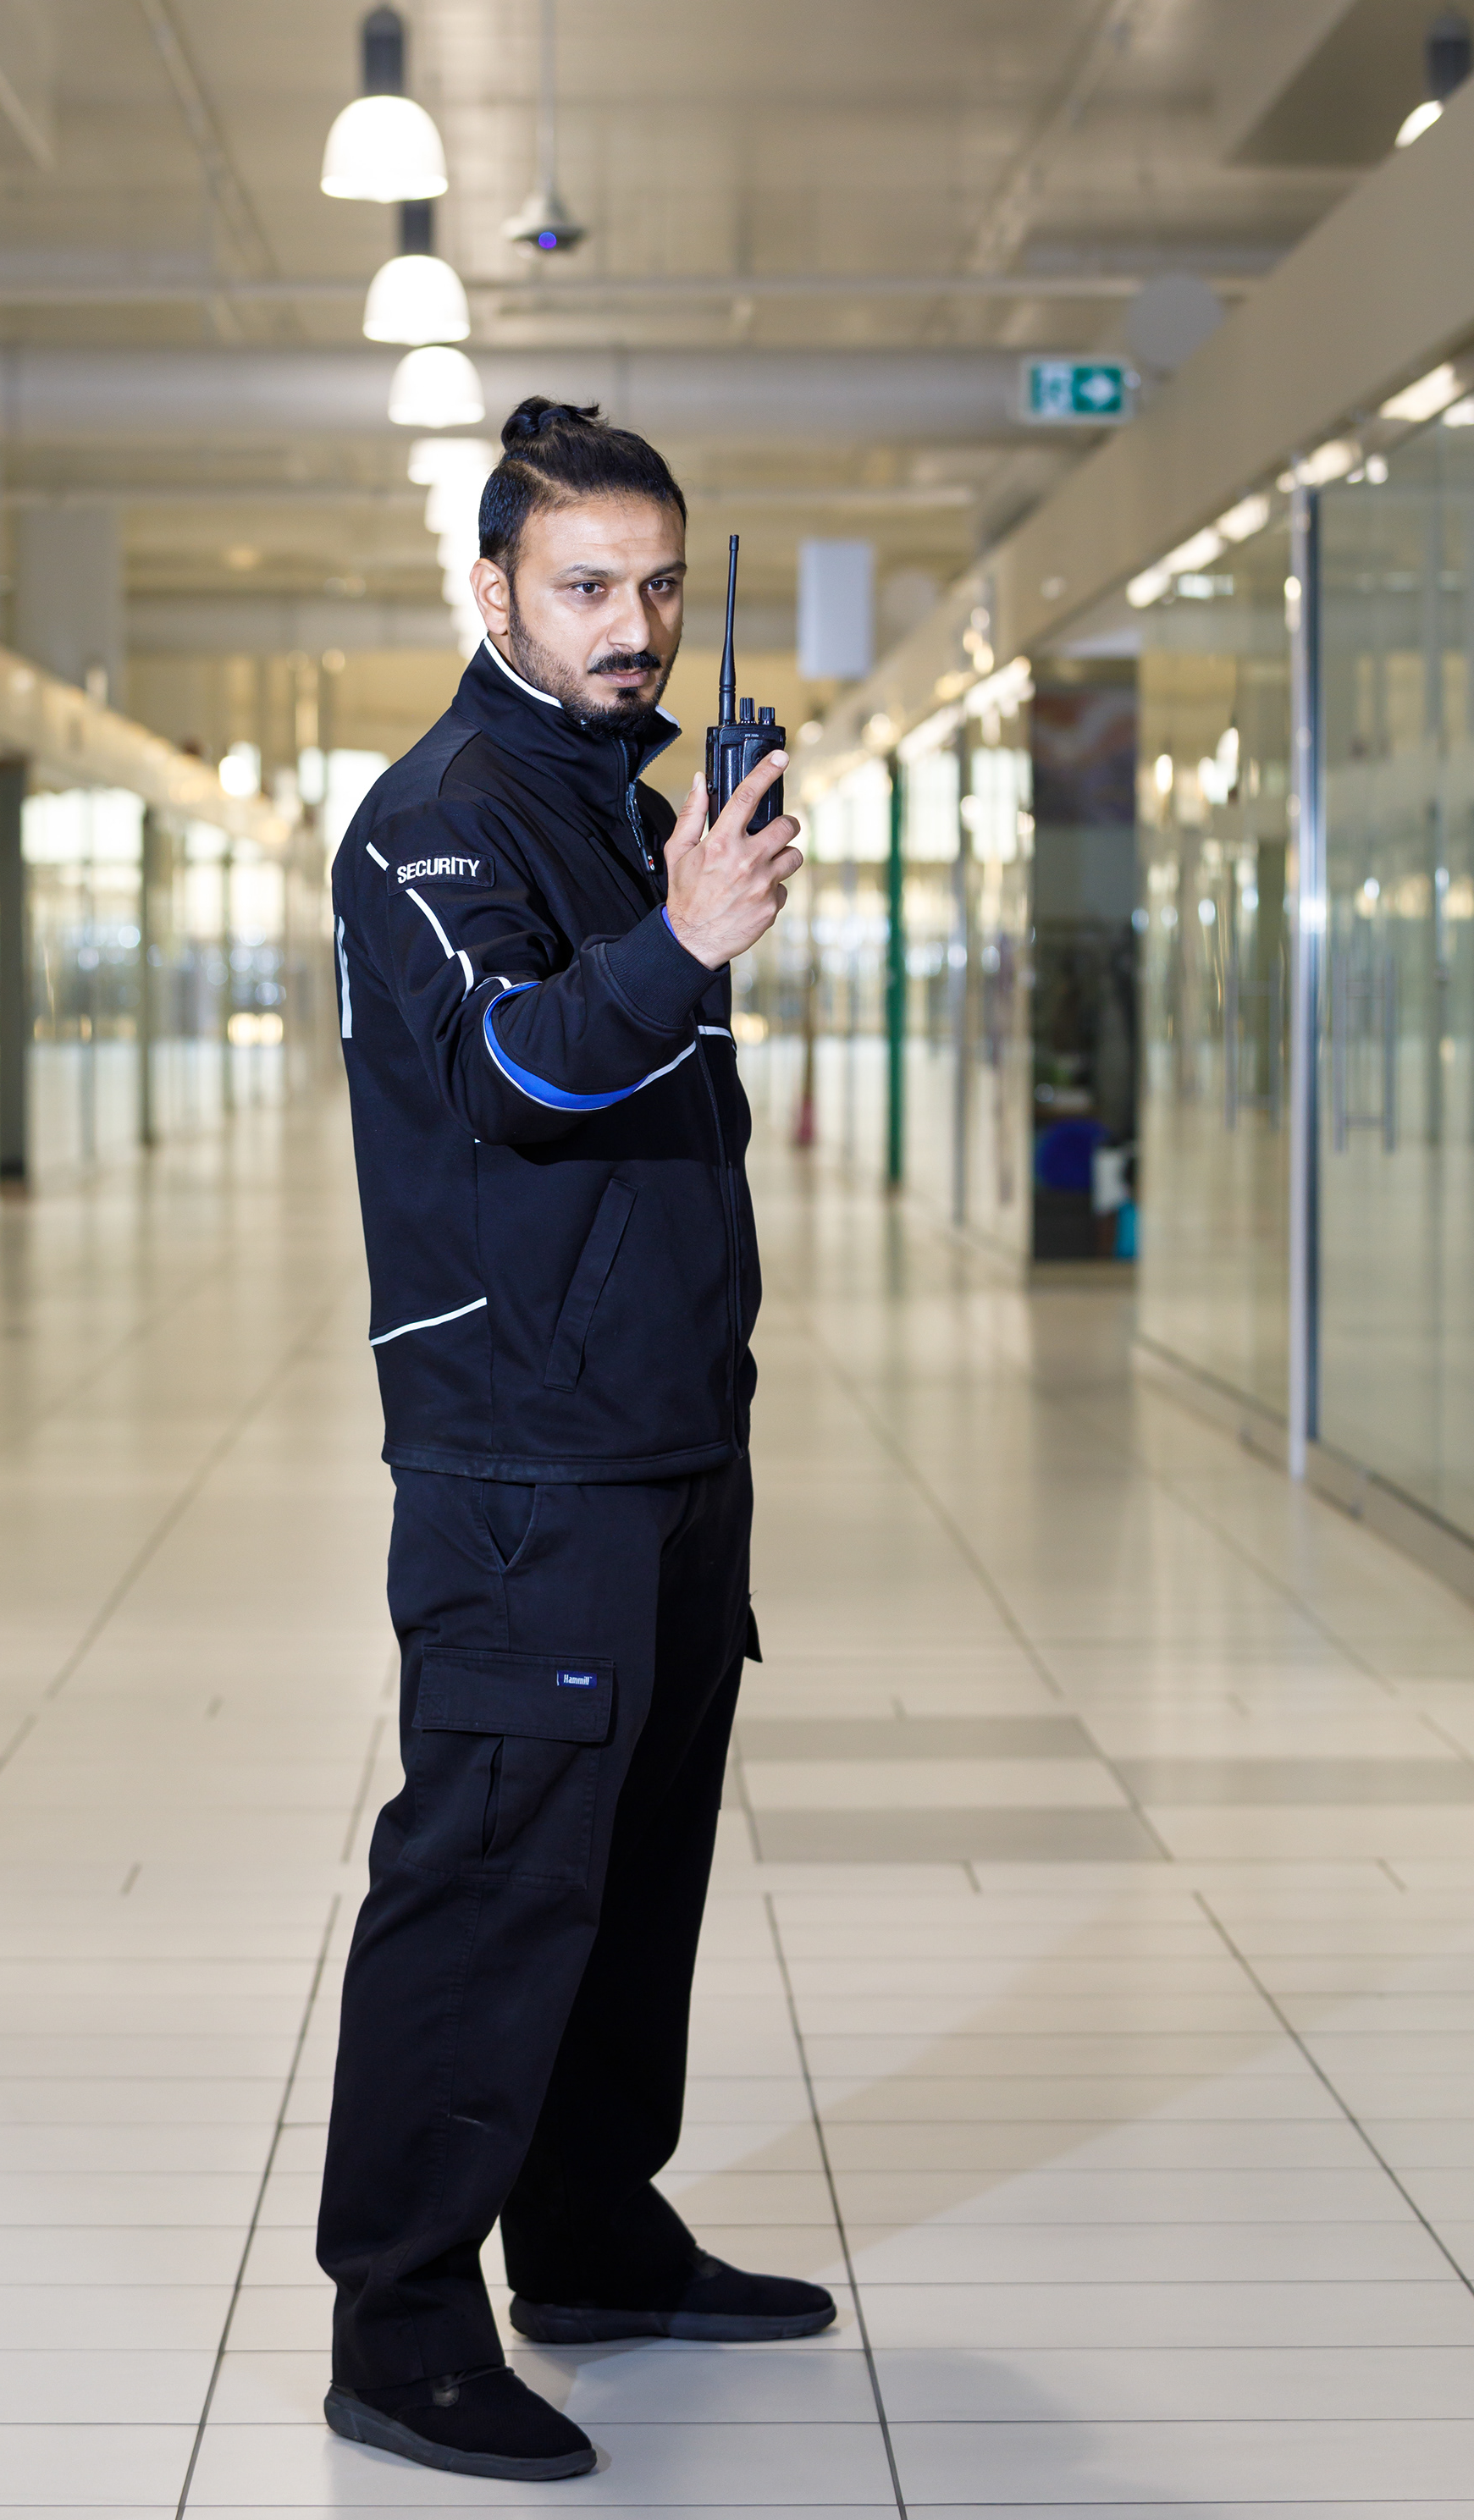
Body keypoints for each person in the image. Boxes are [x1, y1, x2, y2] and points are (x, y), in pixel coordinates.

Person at [316, 396, 829, 2484]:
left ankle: (597, 2235)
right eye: (589, 587)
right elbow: (512, 1066)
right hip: (526, 1457)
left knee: (637, 1859)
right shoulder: (434, 817)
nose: (637, 628)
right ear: (497, 589)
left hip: (666, 1437)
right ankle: (405, 2321)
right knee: (495, 1871)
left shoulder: (621, 803)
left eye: (661, 588)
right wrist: (682, 947)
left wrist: (676, 910)